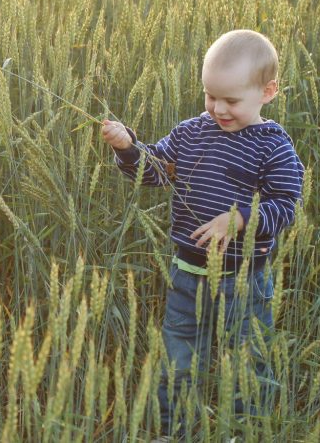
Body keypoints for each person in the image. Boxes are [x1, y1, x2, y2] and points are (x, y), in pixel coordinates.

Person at [101, 30, 304, 436]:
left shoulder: (273, 146)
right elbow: (154, 170)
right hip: (187, 274)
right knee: (177, 358)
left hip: (245, 280)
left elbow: (287, 205)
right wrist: (128, 147)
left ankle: (248, 427)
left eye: (231, 100)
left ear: (268, 92)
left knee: (249, 361)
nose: (218, 109)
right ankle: (173, 427)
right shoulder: (192, 132)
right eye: (211, 96)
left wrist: (242, 218)